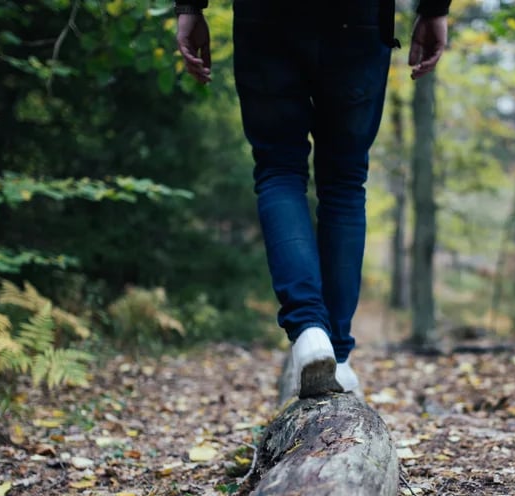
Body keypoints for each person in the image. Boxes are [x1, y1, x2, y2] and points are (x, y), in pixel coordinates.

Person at [175, 0, 450, 398]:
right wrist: (434, 9)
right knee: (343, 183)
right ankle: (336, 354)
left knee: (279, 170)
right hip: (358, 18)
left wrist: (189, 7)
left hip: (265, 18)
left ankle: (309, 333)